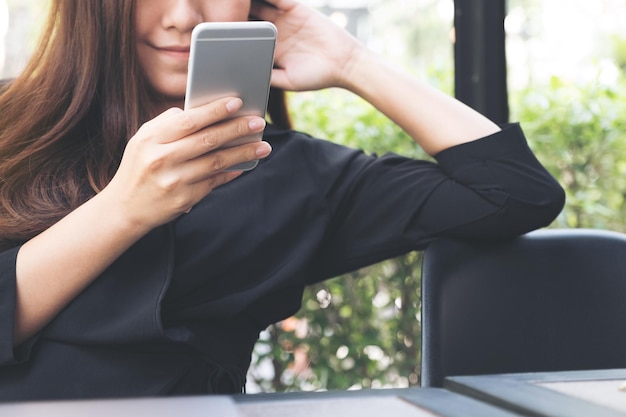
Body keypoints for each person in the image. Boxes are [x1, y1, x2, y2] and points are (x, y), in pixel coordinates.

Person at [0, 0, 564, 401]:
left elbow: (514, 191)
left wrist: (350, 63)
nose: (181, 14)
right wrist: (123, 208)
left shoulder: (292, 173)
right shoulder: (11, 129)